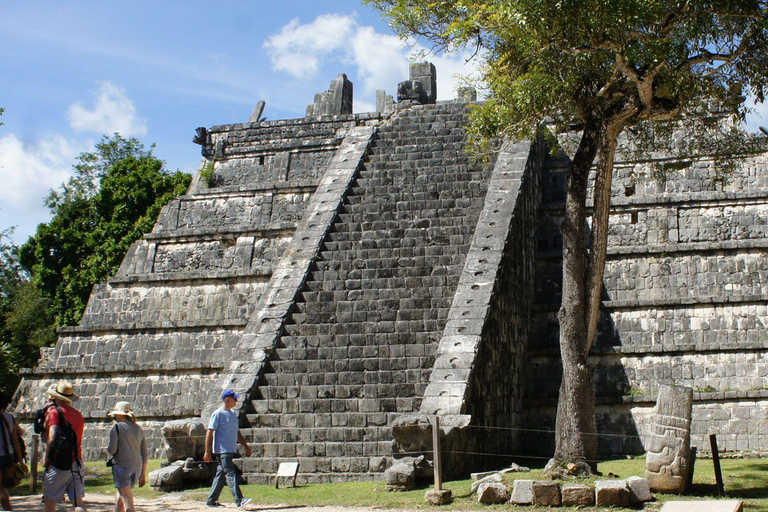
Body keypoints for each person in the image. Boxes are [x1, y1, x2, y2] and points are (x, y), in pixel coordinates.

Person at [42, 381, 87, 512]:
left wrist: (46, 457)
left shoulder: (56, 413)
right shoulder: (78, 414)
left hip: (58, 464)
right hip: (76, 462)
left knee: (50, 502)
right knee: (78, 502)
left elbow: (52, 436)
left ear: (56, 397)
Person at [203, 390, 252, 508]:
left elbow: (236, 432)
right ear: (227, 400)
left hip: (230, 449)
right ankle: (239, 500)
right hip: (222, 450)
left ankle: (211, 501)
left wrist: (245, 446)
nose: (236, 401)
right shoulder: (218, 414)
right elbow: (210, 432)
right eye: (234, 399)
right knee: (230, 473)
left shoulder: (233, 414)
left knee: (220, 475)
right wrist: (207, 451)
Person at [106, 402, 147, 512]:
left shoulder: (117, 428)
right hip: (137, 467)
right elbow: (144, 453)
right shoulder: (138, 428)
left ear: (119, 414)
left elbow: (112, 450)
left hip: (122, 467)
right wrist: (143, 474)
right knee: (121, 496)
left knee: (128, 501)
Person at [0, 391, 28, 511]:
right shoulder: (9, 418)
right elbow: (16, 439)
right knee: (2, 487)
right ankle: (8, 510)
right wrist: (20, 461)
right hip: (8, 455)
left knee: (1, 489)